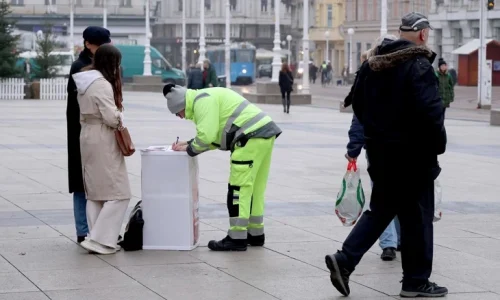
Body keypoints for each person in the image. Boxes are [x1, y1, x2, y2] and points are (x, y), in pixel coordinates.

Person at [325, 12, 448, 298]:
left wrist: (375, 136)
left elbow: (357, 104)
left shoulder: (373, 64)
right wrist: (437, 145)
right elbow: (432, 113)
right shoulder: (417, 65)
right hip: (413, 157)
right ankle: (415, 281)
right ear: (423, 34)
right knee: (418, 217)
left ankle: (345, 260)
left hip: (380, 154)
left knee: (382, 210)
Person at [163, 84, 282, 251]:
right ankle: (255, 234)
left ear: (181, 105)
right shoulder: (205, 96)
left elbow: (206, 136)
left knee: (238, 189)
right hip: (264, 133)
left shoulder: (201, 102)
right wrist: (189, 143)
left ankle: (237, 237)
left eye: (177, 113)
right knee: (255, 189)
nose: (180, 117)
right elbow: (217, 137)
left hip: (248, 138)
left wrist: (190, 149)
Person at [344, 35, 402, 262]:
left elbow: (359, 117)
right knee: (397, 198)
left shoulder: (370, 76)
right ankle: (393, 241)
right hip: (396, 149)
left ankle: (390, 243)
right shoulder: (406, 74)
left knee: (384, 198)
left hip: (379, 149)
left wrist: (353, 148)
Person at [72, 44, 131, 255]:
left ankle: (94, 236)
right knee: (119, 192)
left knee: (96, 193)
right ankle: (100, 239)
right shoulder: (102, 84)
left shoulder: (84, 80)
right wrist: (120, 116)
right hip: (103, 136)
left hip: (87, 134)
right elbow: (110, 117)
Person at [66, 26, 111, 244]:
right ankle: (83, 230)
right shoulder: (80, 67)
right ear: (88, 44)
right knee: (81, 183)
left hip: (98, 131)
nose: (104, 49)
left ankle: (99, 230)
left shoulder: (101, 65)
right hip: (81, 130)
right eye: (100, 45)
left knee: (97, 181)